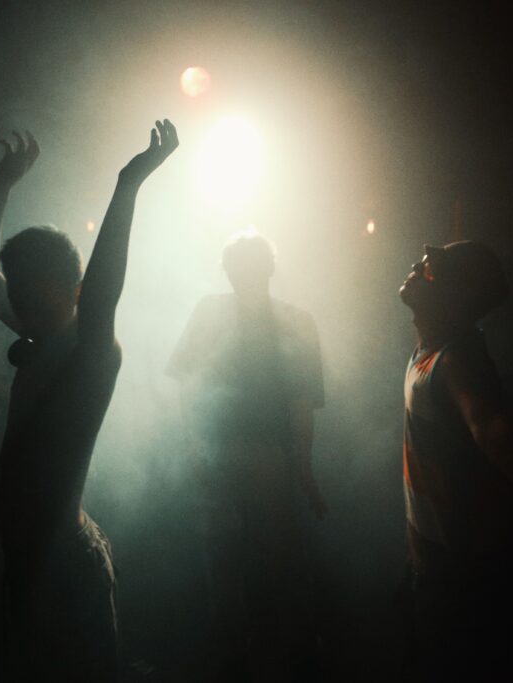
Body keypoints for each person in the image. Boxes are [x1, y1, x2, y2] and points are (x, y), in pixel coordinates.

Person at [0, 120, 178, 681]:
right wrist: (2, 185)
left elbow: (103, 295)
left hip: (62, 565)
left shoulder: (89, 351)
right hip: (30, 565)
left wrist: (128, 185)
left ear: (74, 292)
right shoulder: (41, 335)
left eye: (32, 291)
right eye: (16, 289)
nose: (17, 302)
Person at [398, 240, 513, 680]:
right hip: (442, 567)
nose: (420, 260)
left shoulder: (457, 359)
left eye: (433, 264)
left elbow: (489, 427)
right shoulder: (432, 350)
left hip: (464, 577)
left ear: (453, 293)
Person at [166, 230, 326, 679]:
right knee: (236, 562)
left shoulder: (295, 321)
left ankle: (265, 656)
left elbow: (301, 401)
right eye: (238, 267)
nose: (243, 275)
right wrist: (196, 446)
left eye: (249, 266)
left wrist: (302, 465)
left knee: (259, 562)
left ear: (268, 268)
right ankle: (249, 656)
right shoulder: (218, 313)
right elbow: (187, 384)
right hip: (233, 455)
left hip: (262, 456)